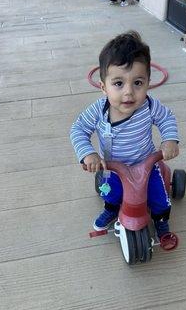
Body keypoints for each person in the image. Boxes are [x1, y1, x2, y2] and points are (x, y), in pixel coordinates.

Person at [70, 31, 179, 247]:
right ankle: (110, 210)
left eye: (138, 82)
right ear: (103, 87)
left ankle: (161, 224)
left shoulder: (149, 105)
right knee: (111, 194)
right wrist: (88, 153)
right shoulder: (99, 111)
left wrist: (169, 140)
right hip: (115, 168)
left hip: (146, 165)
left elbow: (167, 118)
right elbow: (78, 128)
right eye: (118, 83)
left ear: (148, 82)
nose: (129, 92)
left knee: (159, 197)